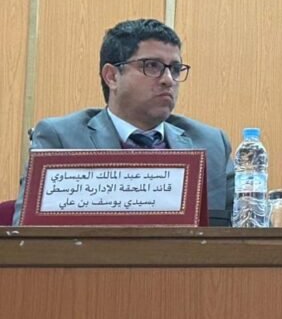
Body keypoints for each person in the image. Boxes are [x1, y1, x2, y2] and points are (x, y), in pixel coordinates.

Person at [14, 19, 235, 226]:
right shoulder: (62, 139)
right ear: (112, 76)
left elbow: (238, 232)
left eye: (175, 69)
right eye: (152, 66)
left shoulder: (211, 144)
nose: (168, 80)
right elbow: (28, 237)